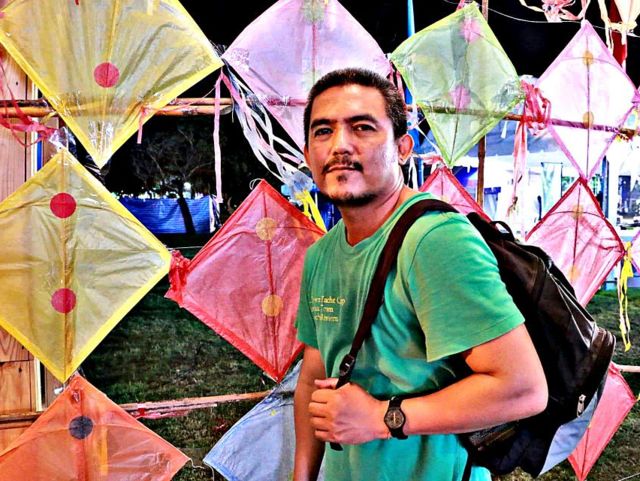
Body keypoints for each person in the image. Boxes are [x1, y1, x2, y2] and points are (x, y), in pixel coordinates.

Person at [293, 68, 548, 481]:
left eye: (362, 127)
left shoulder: (434, 241)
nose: (340, 145)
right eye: (323, 131)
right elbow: (313, 376)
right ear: (308, 154)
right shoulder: (321, 255)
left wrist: (382, 418)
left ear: (402, 148)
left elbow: (523, 389)